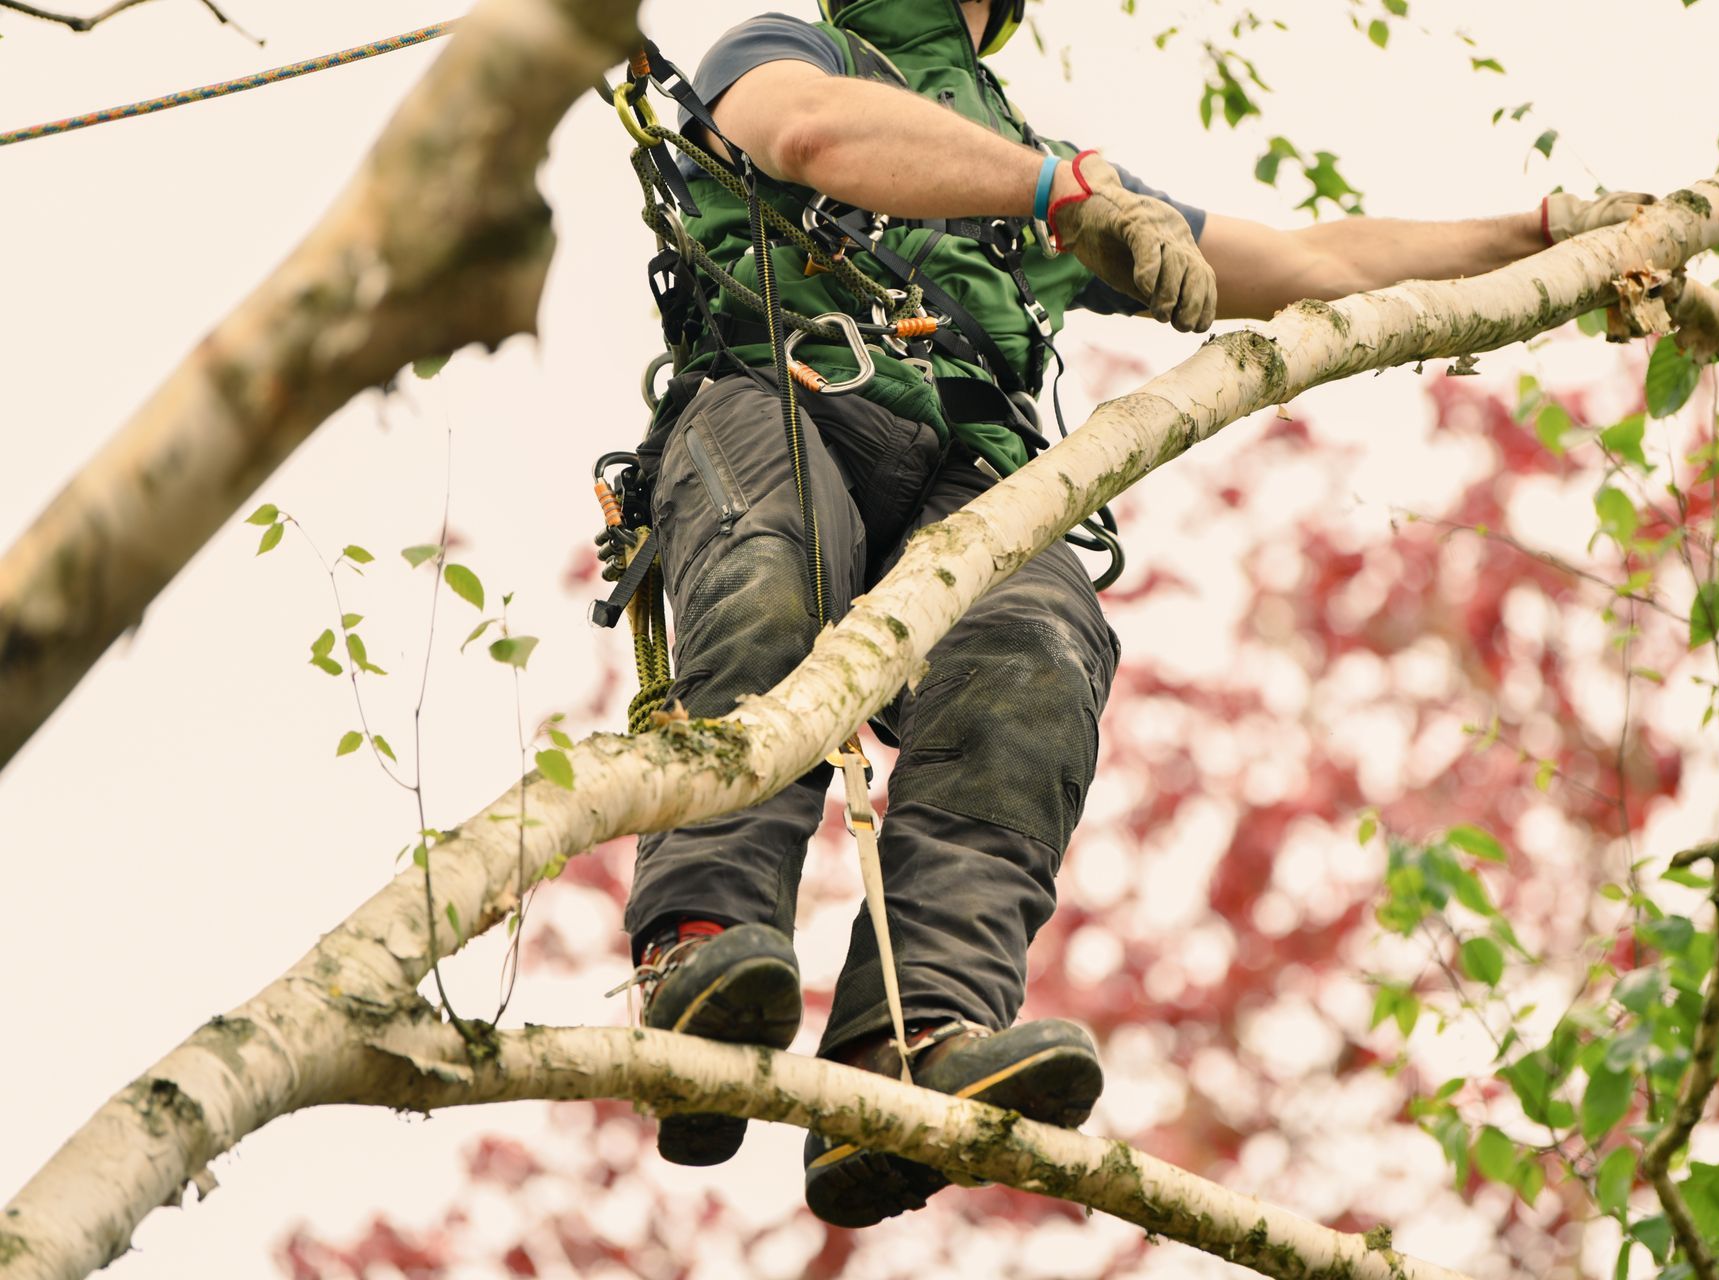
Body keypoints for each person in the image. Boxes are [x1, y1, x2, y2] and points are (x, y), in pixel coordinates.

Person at [613, 0, 1648, 1228]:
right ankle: (700, 939)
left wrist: (1542, 236)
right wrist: (1057, 191)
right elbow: (809, 136)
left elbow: (1324, 264)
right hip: (788, 391)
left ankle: (913, 1033)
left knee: (1037, 658)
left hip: (972, 473)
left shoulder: (1037, 179)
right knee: (769, 576)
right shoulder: (799, 52)